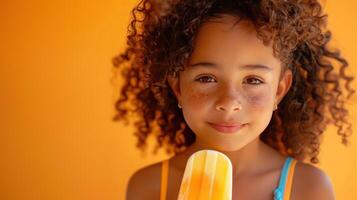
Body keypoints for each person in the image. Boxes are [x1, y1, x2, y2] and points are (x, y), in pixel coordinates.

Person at [112, 0, 355, 199]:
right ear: (177, 87)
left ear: (279, 90)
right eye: (206, 78)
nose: (229, 102)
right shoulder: (148, 187)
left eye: (253, 80)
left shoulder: (309, 188)